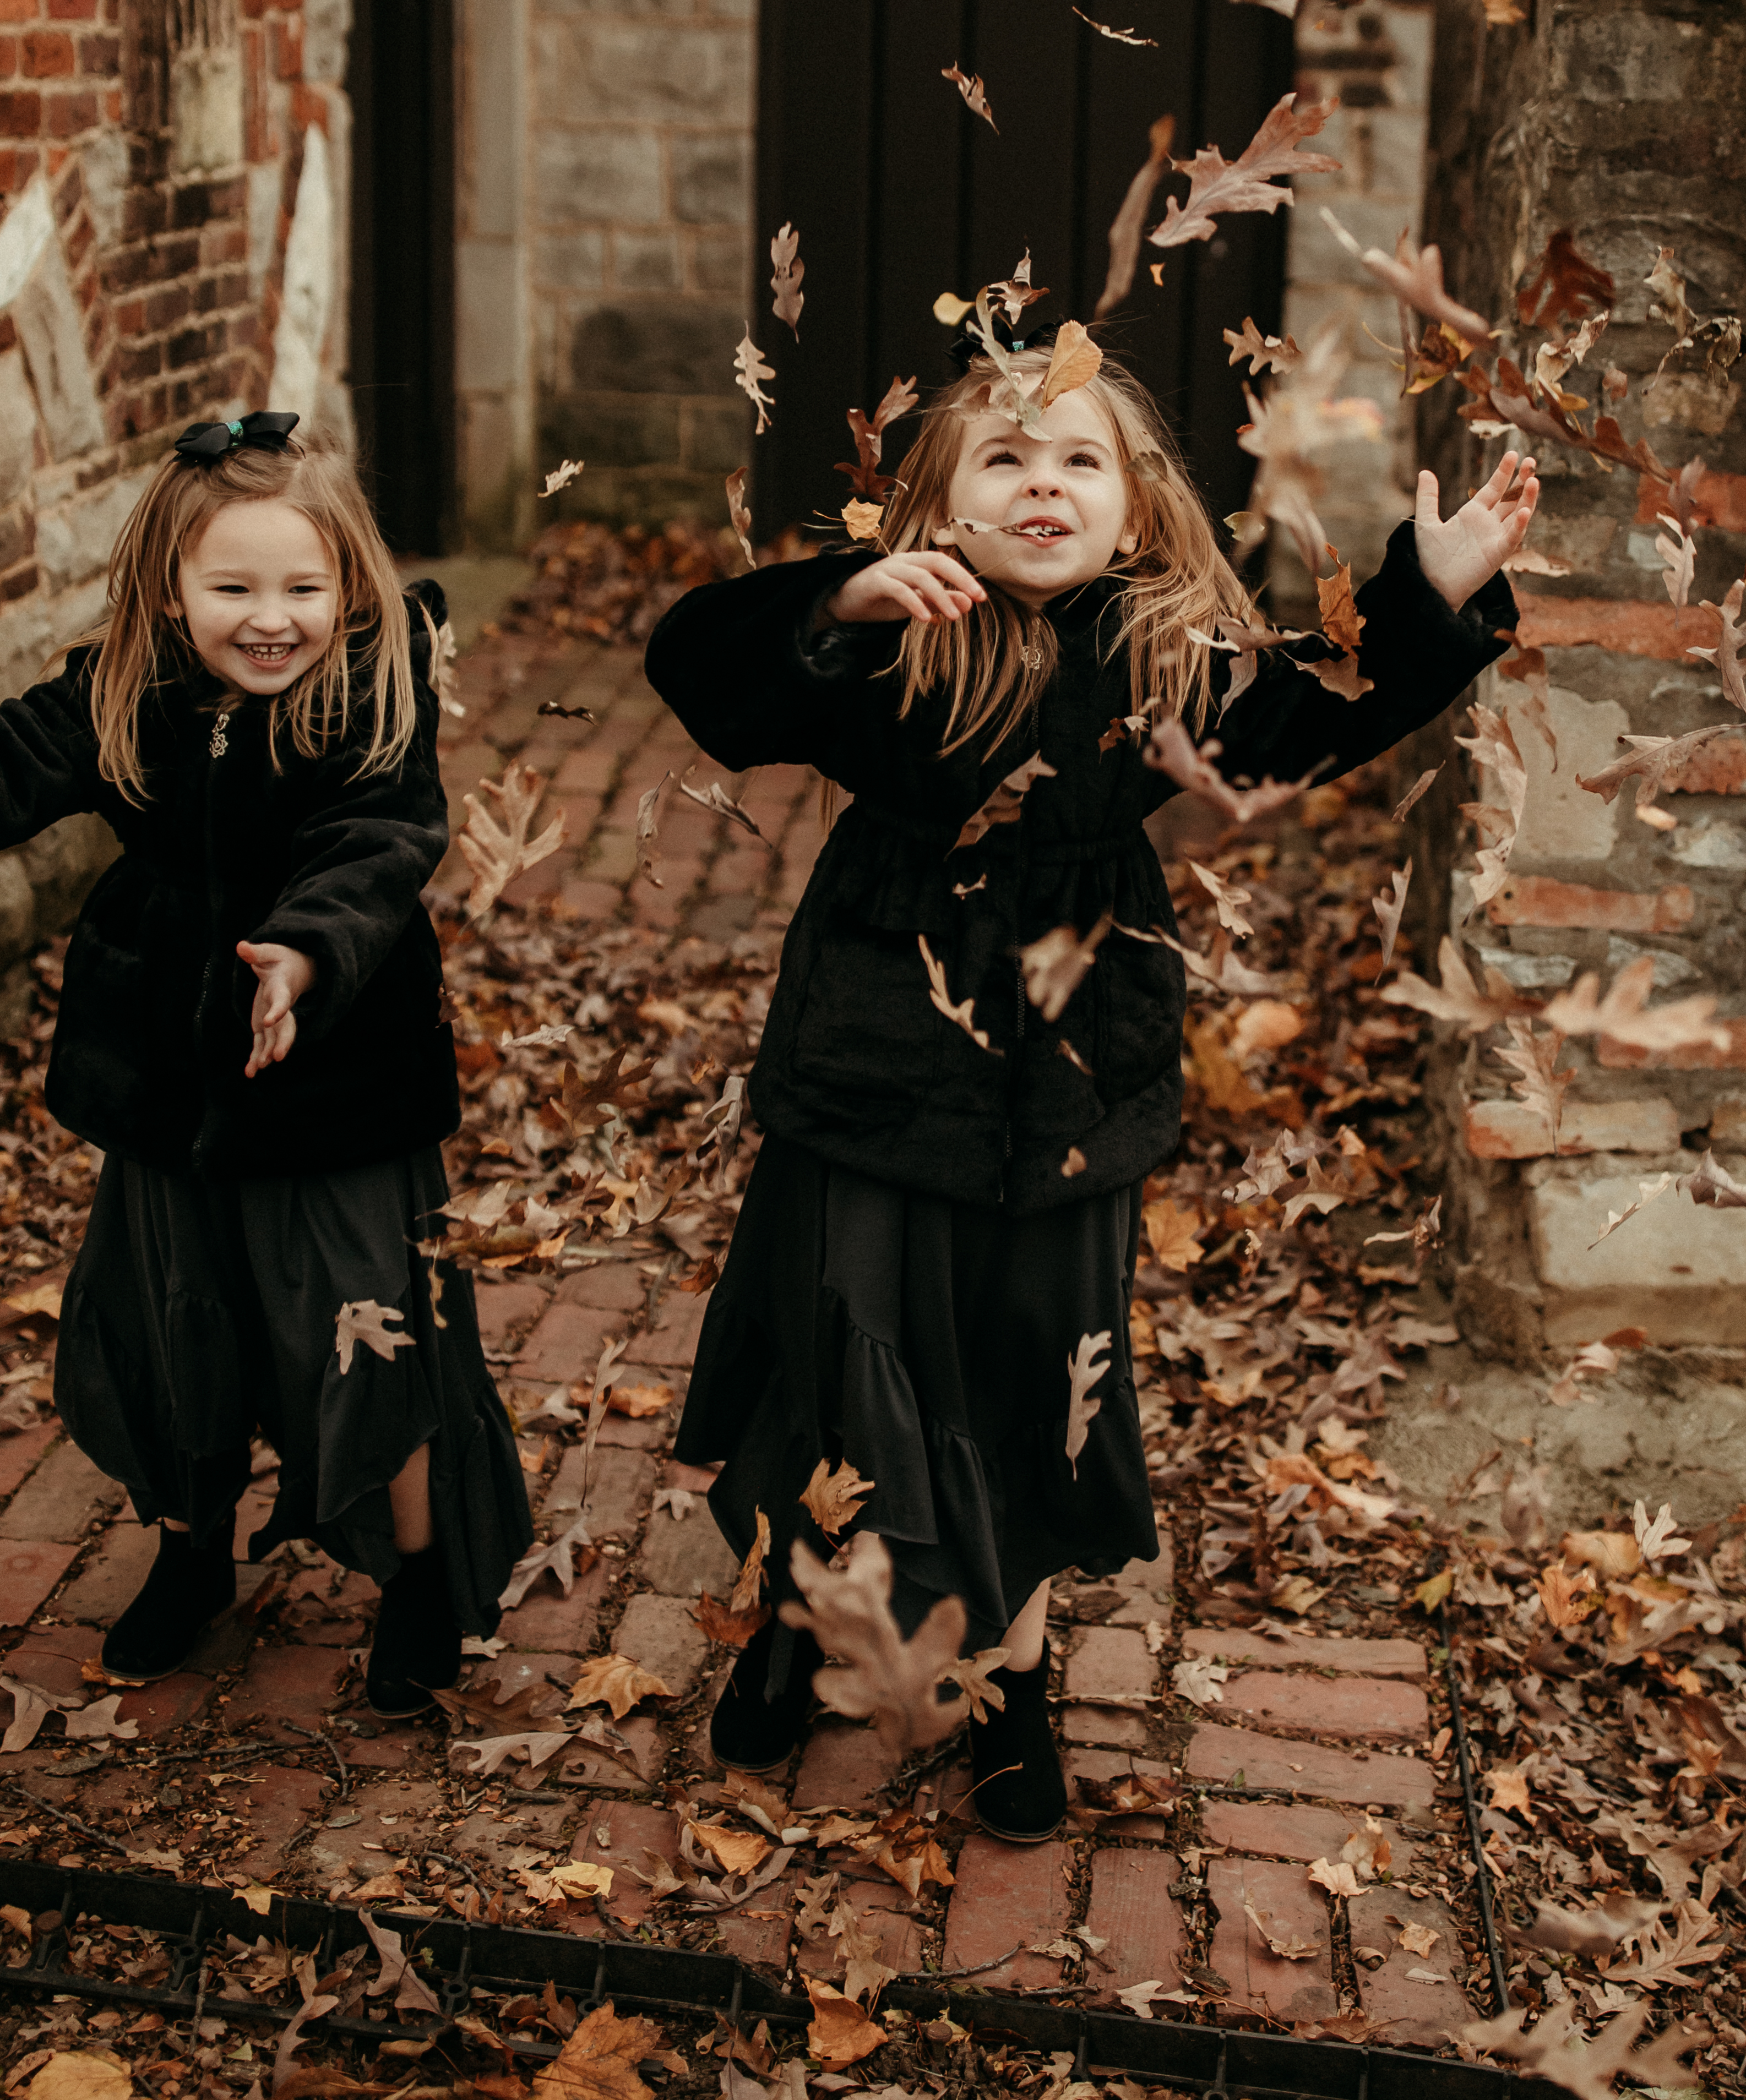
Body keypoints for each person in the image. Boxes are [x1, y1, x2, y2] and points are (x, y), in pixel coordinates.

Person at [644, 318, 1535, 1839]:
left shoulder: (1162, 648)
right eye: (1004, 459)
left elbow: (1299, 723)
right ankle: (800, 1629)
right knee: (840, 1351)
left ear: (1135, 506)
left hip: (1069, 1078)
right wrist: (844, 597)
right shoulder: (892, 638)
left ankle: (1010, 1680)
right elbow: (706, 676)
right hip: (874, 1061)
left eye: (1079, 462)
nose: (1042, 486)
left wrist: (1422, 598)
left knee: (1028, 1375)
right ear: (938, 504)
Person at [0, 414, 529, 1710]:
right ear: (171, 588)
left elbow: (383, 835)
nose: (273, 620)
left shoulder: (379, 690)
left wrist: (306, 954)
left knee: (371, 1337)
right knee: (172, 1328)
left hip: (336, 1080)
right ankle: (191, 1550)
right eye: (235, 589)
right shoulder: (127, 691)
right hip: (169, 1080)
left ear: (351, 584)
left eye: (304, 589)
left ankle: (418, 1578)